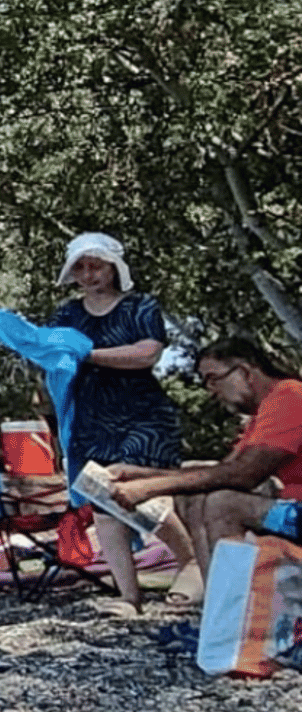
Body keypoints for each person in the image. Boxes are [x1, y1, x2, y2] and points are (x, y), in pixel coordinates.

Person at [50, 232, 187, 615]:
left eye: (96, 265)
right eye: (81, 267)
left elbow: (147, 354)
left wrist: (88, 354)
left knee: (134, 489)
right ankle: (128, 596)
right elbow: (52, 355)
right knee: (102, 500)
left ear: (114, 267)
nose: (89, 274)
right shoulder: (68, 315)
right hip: (90, 417)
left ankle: (189, 558)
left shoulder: (141, 306)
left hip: (142, 416)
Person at [108, 337, 302, 607]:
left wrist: (150, 488)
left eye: (213, 379)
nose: (211, 390)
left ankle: (233, 617)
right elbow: (223, 469)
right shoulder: (266, 411)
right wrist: (141, 475)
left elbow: (244, 475)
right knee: (196, 494)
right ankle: (217, 608)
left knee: (223, 505)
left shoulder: (290, 396)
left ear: (245, 372)